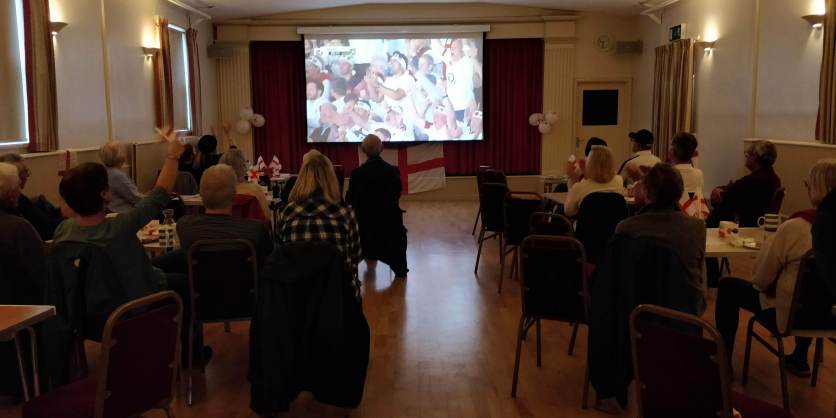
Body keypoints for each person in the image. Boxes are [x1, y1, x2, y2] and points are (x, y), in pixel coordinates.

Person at [715, 159, 836, 377]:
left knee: (728, 287)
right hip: (827, 316)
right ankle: (800, 357)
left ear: (817, 187)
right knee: (813, 289)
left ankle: (723, 362)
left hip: (786, 315)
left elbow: (760, 280)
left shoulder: (795, 227)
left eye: (807, 184)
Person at [55, 129, 184, 301]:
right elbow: (160, 193)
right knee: (188, 279)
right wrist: (173, 155)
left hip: (96, 300)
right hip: (137, 298)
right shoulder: (120, 227)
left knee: (177, 258)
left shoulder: (63, 230)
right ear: (105, 194)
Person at [614, 163, 707, 314]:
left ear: (647, 192)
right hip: (685, 309)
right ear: (680, 192)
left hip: (638, 309)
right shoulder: (697, 228)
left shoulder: (625, 229)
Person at [277, 150, 362, 296]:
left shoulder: (286, 212)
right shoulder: (345, 213)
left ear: (301, 178)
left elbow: (280, 252)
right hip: (338, 297)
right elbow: (356, 255)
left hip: (295, 297)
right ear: (331, 178)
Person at [176, 164, 273, 265]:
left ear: (201, 193)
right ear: (234, 195)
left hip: (199, 280)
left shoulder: (184, 226)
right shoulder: (256, 230)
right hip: (244, 280)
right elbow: (268, 264)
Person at [346, 134, 408, 279]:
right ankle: (400, 268)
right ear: (381, 149)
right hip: (389, 225)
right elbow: (396, 195)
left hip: (364, 226)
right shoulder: (393, 172)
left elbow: (349, 200)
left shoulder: (357, 174)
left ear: (364, 150)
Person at [0, 162, 46, 304]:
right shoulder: (18, 228)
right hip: (21, 310)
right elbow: (42, 273)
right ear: (11, 194)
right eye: (18, 187)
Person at [708, 140, 781, 227]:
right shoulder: (775, 180)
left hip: (745, 227)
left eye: (748, 155)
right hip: (762, 226)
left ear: (754, 157)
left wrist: (718, 191)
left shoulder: (751, 181)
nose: (746, 158)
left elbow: (723, 199)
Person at [0, 153, 63, 240]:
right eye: (23, 172)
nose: (27, 176)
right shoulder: (17, 210)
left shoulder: (21, 199)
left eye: (27, 171)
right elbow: (45, 231)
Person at [563, 146, 624, 217]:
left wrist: (573, 179)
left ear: (590, 163)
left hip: (587, 227)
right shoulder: (619, 180)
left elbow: (569, 212)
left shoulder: (580, 187)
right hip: (614, 227)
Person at [218, 149, 270, 219]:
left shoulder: (216, 192)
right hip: (250, 228)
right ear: (244, 167)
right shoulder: (255, 190)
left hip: (222, 227)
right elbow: (266, 216)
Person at [669, 132, 709, 219]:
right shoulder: (699, 174)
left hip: (671, 222)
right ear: (693, 153)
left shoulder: (667, 174)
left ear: (672, 151)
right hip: (693, 222)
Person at [99, 142, 144, 213]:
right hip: (121, 212)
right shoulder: (118, 175)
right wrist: (152, 198)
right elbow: (135, 198)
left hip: (109, 210)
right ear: (120, 156)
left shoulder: (102, 170)